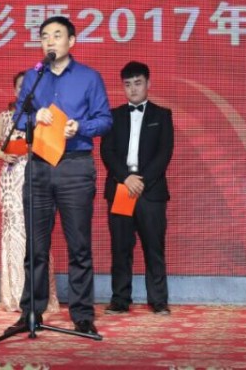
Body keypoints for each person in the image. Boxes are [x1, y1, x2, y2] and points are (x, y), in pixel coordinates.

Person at [9, 15, 112, 336]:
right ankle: (31, 311)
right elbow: (18, 116)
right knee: (36, 247)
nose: (50, 41)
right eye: (44, 36)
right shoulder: (33, 77)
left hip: (75, 166)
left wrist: (81, 126)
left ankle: (82, 314)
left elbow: (105, 120)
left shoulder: (89, 77)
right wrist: (33, 116)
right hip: (39, 165)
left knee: (78, 245)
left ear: (72, 41)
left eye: (57, 35)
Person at [100, 61, 174, 315]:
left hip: (150, 190)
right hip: (121, 188)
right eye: (128, 84)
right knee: (121, 247)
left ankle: (159, 300)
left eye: (138, 83)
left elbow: (164, 153)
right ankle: (120, 299)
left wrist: (141, 181)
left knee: (154, 247)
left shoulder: (162, 115)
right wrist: (126, 178)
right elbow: (107, 152)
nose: (133, 89)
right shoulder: (113, 116)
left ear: (148, 84)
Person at [0, 71, 59, 314]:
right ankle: (15, 295)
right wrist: (3, 154)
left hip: (38, 176)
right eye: (20, 87)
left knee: (38, 234)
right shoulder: (5, 116)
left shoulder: (44, 117)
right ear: (15, 90)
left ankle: (41, 296)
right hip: (11, 179)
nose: (24, 91)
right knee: (14, 234)